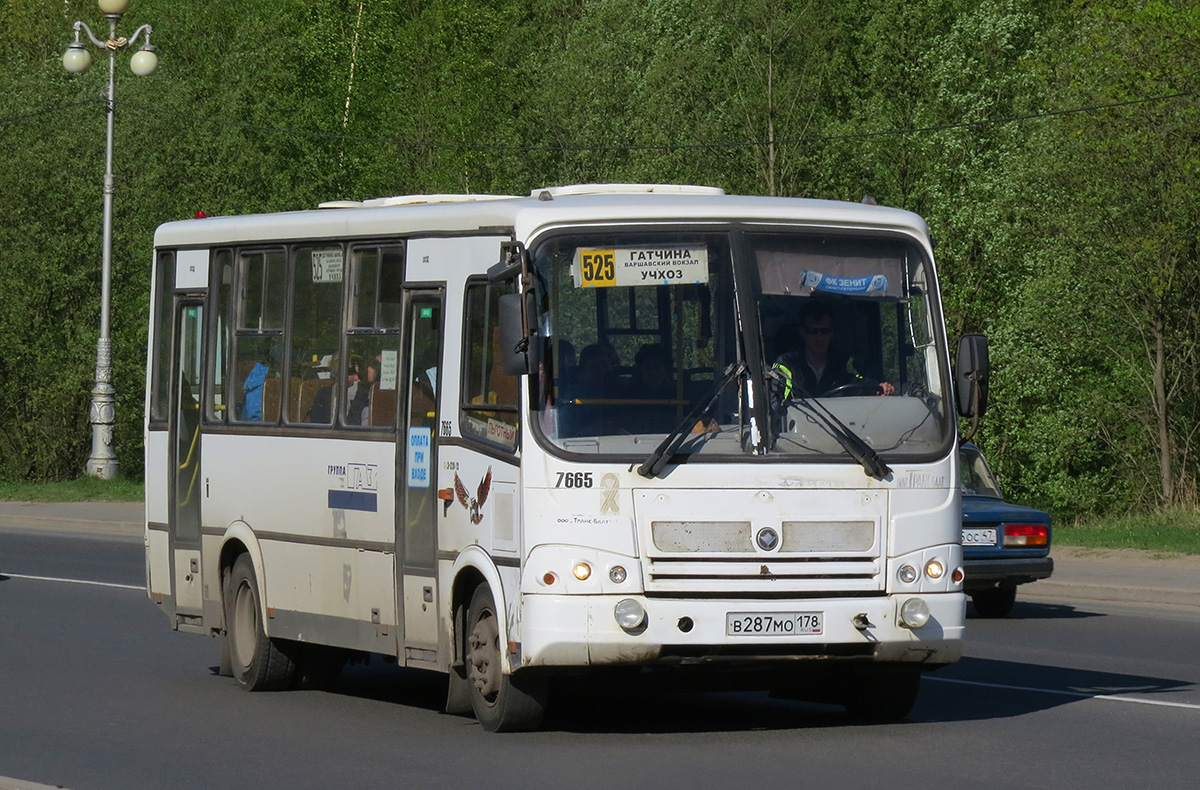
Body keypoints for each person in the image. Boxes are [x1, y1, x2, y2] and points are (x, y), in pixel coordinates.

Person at [773, 303, 894, 398]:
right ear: (802, 332)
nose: (819, 337)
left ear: (832, 333)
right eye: (813, 331)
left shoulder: (845, 364)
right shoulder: (786, 364)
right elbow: (774, 402)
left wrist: (879, 388)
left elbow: (864, 385)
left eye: (824, 331)